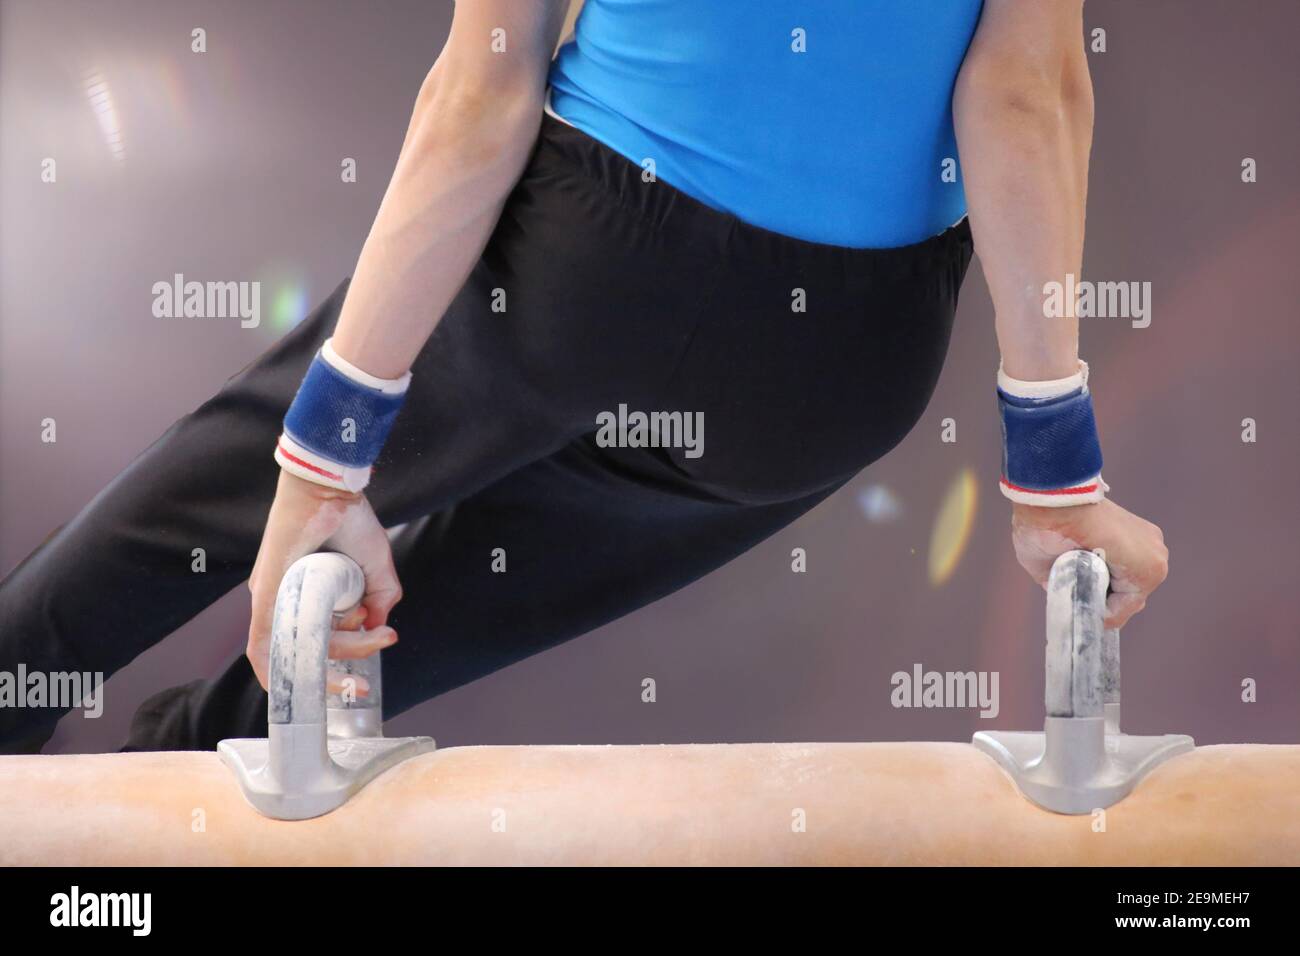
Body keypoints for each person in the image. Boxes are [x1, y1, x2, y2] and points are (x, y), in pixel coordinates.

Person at [0, 0, 1168, 753]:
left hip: (591, 264)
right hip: (837, 371)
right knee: (406, 631)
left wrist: (326, 454)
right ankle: (182, 787)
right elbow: (1028, 99)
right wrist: (1052, 471)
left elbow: (478, 96)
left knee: (194, 516)